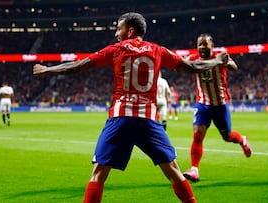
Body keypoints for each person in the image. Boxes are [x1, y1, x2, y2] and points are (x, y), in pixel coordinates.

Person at [33, 12, 227, 203]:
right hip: (148, 120)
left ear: (130, 30)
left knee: (99, 173)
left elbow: (78, 66)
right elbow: (192, 67)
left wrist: (48, 70)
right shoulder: (158, 50)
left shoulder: (114, 50)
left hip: (121, 118)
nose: (117, 34)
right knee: (173, 170)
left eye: (119, 29)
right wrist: (218, 60)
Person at [183, 33, 252, 182]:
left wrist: (226, 63)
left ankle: (242, 140)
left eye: (205, 44)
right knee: (197, 134)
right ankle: (194, 169)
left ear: (212, 46)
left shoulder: (221, 56)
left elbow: (234, 67)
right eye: (199, 45)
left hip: (220, 105)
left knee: (227, 137)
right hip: (203, 104)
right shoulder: (193, 58)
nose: (202, 47)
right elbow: (181, 67)